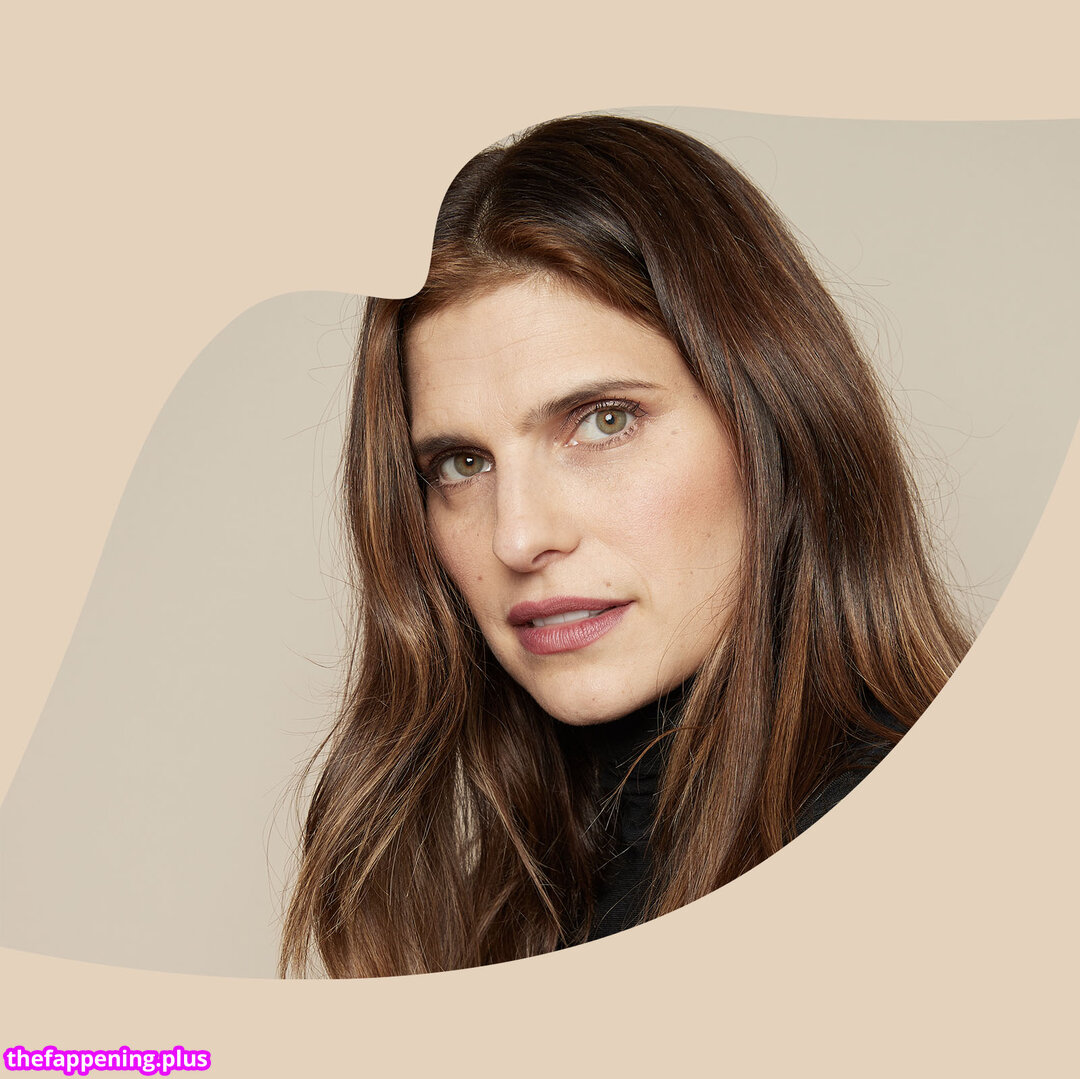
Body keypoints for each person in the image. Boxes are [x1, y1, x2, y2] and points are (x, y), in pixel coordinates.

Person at [279, 114, 971, 978]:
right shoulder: (535, 895)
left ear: (775, 425)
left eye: (605, 421)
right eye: (461, 463)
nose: (519, 535)